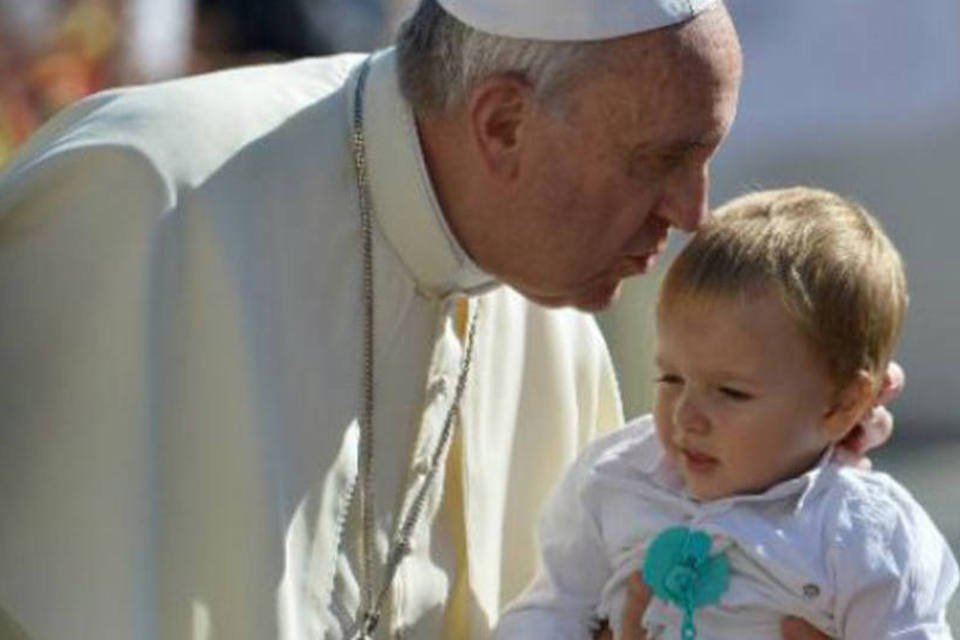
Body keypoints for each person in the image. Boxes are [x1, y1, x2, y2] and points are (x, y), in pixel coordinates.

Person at [0, 0, 893, 637]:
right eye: (662, 159)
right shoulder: (148, 200)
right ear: (502, 123)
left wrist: (789, 471)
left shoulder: (554, 307)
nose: (693, 212)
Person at [494, 187, 957, 640]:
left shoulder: (865, 534)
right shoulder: (618, 479)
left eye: (731, 392)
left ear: (842, 405)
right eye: (671, 379)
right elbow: (550, 611)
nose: (686, 417)